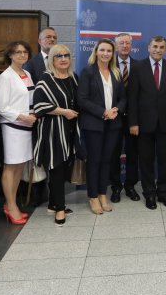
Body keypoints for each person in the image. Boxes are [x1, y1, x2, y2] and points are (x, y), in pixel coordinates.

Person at [127, 35, 166, 210]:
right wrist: (133, 123)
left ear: (165, 49)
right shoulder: (137, 68)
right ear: (148, 48)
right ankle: (149, 193)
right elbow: (132, 98)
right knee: (146, 160)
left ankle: (163, 193)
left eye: (161, 47)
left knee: (165, 160)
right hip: (143, 124)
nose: (158, 50)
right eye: (155, 47)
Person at [32, 44, 80, 226]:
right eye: (59, 56)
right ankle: (60, 208)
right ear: (52, 59)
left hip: (71, 130)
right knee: (57, 169)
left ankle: (53, 203)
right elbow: (39, 106)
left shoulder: (74, 78)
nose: (63, 59)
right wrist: (63, 112)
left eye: (66, 55)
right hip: (53, 131)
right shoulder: (46, 79)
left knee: (64, 168)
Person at [78, 38, 126, 214]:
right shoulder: (88, 72)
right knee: (95, 161)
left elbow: (123, 98)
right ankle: (93, 196)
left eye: (109, 51)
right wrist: (103, 112)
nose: (106, 54)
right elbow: (82, 99)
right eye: (102, 50)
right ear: (96, 52)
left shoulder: (116, 72)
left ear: (113, 54)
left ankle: (102, 194)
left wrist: (116, 109)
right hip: (94, 124)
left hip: (113, 124)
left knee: (107, 160)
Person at [0, 41, 36, 225]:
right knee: (11, 167)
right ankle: (11, 206)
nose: (22, 55)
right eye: (17, 52)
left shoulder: (27, 74)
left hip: (27, 126)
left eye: (25, 52)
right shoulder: (5, 77)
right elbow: (2, 107)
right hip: (13, 127)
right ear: (10, 55)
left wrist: (33, 114)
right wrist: (22, 116)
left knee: (20, 166)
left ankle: (11, 203)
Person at [23, 26, 58, 207]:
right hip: (38, 117)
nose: (52, 40)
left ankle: (55, 192)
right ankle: (38, 193)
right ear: (40, 41)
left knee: (55, 157)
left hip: (57, 117)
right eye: (48, 37)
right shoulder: (30, 64)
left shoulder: (60, 60)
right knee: (39, 156)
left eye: (54, 38)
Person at [109, 33, 140, 202]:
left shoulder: (139, 66)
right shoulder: (107, 64)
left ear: (131, 45)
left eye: (128, 43)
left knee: (133, 154)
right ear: (115, 45)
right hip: (113, 117)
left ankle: (130, 186)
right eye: (121, 43)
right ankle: (115, 187)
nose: (125, 46)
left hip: (133, 118)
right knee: (114, 153)